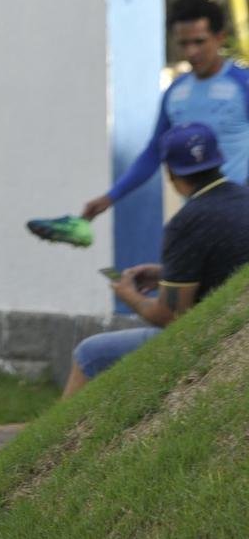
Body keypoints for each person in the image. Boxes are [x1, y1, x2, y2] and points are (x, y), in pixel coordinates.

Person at [64, 122, 249, 397]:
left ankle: (61, 440)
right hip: (239, 327)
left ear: (170, 171)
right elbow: (227, 268)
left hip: (215, 338)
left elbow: (171, 317)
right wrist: (167, 273)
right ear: (217, 159)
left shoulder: (187, 221)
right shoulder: (243, 198)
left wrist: (130, 296)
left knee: (90, 354)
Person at [81, 0, 249, 221]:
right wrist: (110, 197)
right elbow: (154, 152)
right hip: (197, 217)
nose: (191, 52)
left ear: (220, 37)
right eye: (183, 43)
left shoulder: (241, 83)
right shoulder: (175, 92)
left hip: (240, 214)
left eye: (199, 41)